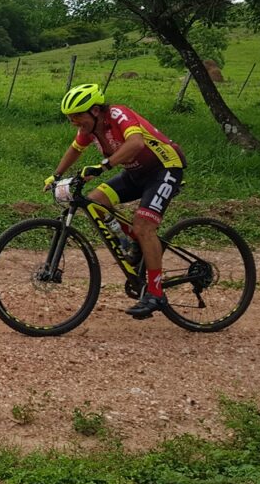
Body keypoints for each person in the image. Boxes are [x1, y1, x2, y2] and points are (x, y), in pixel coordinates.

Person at [44, 83, 187, 319]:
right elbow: (75, 149)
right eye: (71, 118)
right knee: (95, 203)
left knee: (144, 225)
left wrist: (104, 166)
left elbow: (136, 144)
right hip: (135, 173)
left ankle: (156, 293)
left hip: (165, 168)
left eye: (78, 116)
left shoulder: (119, 115)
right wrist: (56, 175)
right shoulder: (89, 129)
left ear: (96, 110)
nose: (74, 122)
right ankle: (135, 243)